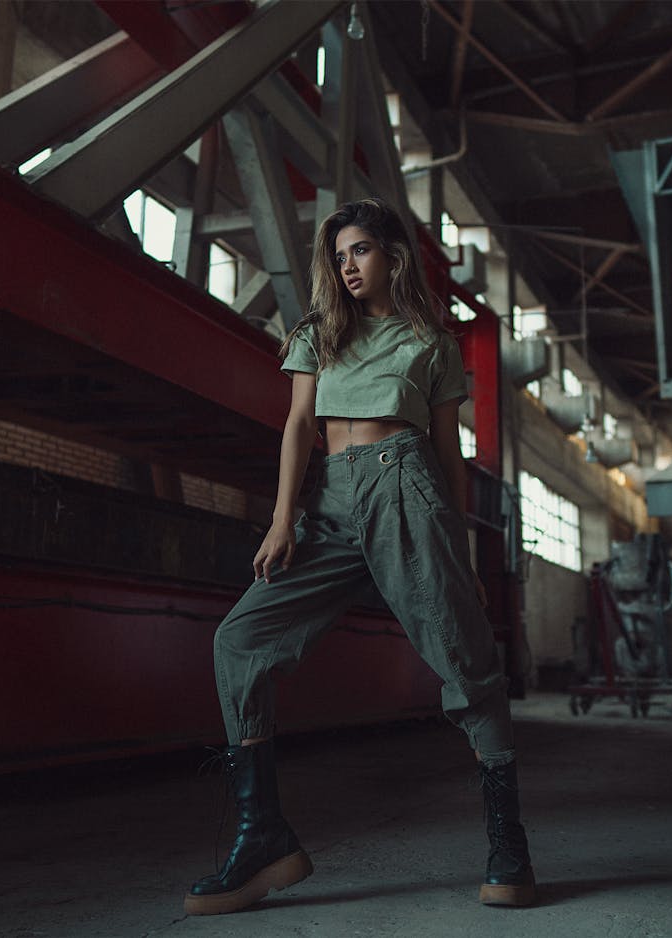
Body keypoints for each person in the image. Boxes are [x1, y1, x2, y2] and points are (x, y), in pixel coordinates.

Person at [184, 198, 535, 916]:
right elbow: (297, 426)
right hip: (331, 502)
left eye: (361, 251)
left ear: (393, 257)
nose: (347, 265)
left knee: (465, 658)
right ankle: (265, 836)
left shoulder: (428, 344)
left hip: (407, 488)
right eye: (339, 254)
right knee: (239, 640)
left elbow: (448, 455)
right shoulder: (317, 335)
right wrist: (282, 519)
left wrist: (462, 550)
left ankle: (510, 844)